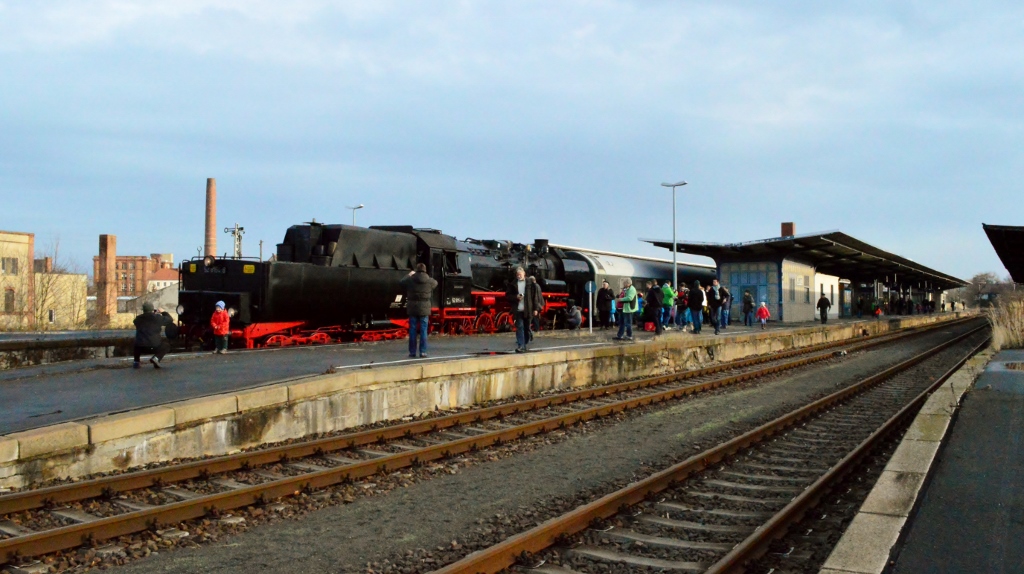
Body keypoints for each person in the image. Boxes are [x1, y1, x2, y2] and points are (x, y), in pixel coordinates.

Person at [400, 263, 438, 358]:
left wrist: (409, 274)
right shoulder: (429, 281)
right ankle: (423, 352)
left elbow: (401, 282)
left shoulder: (411, 279)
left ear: (416, 270)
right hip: (424, 308)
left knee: (412, 330)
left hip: (413, 307)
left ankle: (412, 352)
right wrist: (427, 277)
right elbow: (435, 283)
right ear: (425, 270)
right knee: (423, 330)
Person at [506, 267, 543, 353]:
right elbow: (508, 296)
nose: (519, 276)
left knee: (526, 327)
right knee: (519, 327)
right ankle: (521, 346)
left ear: (524, 274)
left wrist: (536, 308)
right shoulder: (513, 284)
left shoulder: (530, 283)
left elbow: (535, 297)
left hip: (528, 309)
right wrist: (516, 297)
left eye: (520, 274)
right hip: (518, 310)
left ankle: (524, 343)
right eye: (517, 275)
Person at [133, 301, 173, 369]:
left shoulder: (138, 319)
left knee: (137, 342)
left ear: (143, 310)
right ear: (152, 309)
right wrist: (163, 312)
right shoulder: (157, 318)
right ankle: (156, 358)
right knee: (166, 345)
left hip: (140, 347)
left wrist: (153, 315)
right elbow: (170, 320)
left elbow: (142, 320)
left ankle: (136, 362)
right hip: (154, 346)